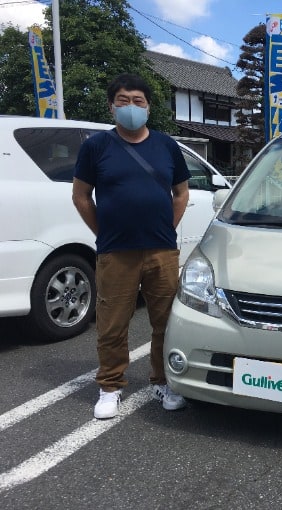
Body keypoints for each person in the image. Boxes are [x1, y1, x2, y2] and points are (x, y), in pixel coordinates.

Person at [72, 73, 191, 419]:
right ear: (111, 107)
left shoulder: (166, 145)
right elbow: (81, 197)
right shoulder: (96, 147)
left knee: (166, 322)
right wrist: (104, 232)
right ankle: (110, 386)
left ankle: (163, 381)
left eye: (138, 101)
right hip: (115, 252)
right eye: (122, 100)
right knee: (112, 323)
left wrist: (167, 227)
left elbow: (181, 193)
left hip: (162, 252)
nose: (130, 107)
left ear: (149, 107)